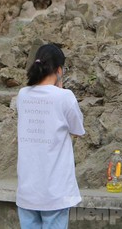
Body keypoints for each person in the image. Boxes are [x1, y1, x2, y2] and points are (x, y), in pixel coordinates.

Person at [16, 43, 85, 229]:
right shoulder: (65, 97)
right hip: (55, 191)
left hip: (27, 190)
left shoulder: (22, 95)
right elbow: (78, 129)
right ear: (59, 70)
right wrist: (61, 88)